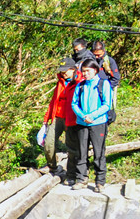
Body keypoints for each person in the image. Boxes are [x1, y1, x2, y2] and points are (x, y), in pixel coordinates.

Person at [68, 59, 113, 191]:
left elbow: (107, 104)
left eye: (87, 71)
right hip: (82, 123)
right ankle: (81, 179)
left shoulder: (103, 84)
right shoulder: (80, 86)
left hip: (98, 123)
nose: (85, 74)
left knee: (99, 153)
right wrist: (82, 116)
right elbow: (74, 104)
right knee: (81, 152)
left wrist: (92, 116)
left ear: (95, 70)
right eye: (83, 71)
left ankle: (100, 182)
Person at [42, 58, 78, 173]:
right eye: (62, 71)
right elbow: (54, 101)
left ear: (73, 69)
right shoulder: (60, 82)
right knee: (49, 142)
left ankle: (73, 172)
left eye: (66, 71)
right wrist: (46, 118)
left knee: (71, 147)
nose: (63, 73)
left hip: (71, 119)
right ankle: (52, 166)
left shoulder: (79, 83)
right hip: (57, 117)